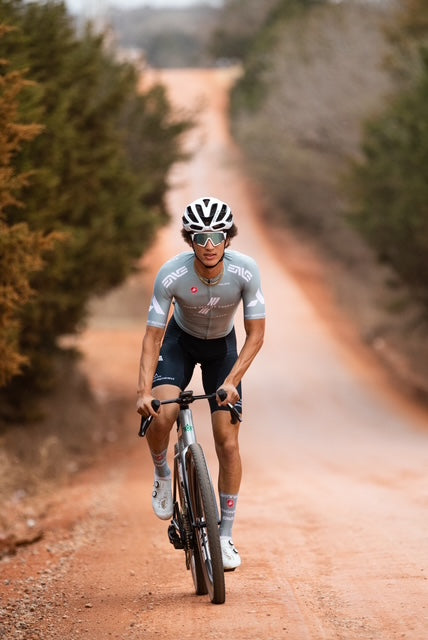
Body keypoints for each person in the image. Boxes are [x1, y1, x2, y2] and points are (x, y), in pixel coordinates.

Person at [136, 196, 265, 570]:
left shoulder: (246, 271)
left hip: (222, 349)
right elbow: (152, 337)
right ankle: (162, 472)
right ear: (189, 240)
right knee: (162, 414)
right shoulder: (171, 274)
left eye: (217, 237)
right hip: (179, 343)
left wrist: (233, 381)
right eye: (200, 237)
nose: (209, 245)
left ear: (228, 238)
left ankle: (224, 537)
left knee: (227, 441)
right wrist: (143, 391)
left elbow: (256, 335)